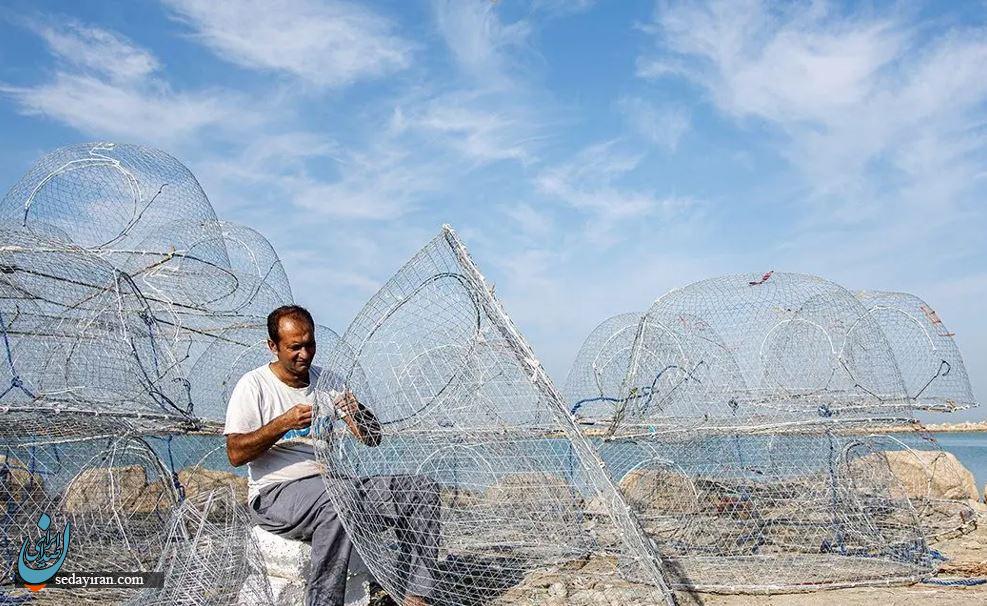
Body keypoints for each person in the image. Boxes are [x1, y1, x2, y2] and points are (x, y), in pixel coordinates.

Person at [224, 305, 438, 606]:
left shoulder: (329, 381)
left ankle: (416, 598)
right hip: (275, 495)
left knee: (420, 491)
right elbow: (235, 453)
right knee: (339, 499)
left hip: (333, 487)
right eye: (294, 347)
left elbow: (372, 439)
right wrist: (282, 423)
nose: (304, 354)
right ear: (273, 347)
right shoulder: (254, 385)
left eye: (309, 344)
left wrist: (358, 412)